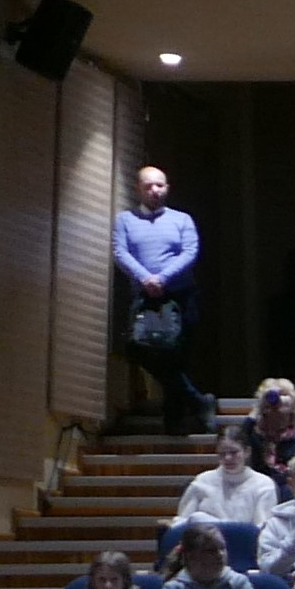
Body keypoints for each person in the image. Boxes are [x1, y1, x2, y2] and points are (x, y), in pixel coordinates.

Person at [118, 161, 204, 431]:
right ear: (138, 189)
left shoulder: (182, 219)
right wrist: (146, 279)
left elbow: (190, 252)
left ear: (167, 188)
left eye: (159, 185)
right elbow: (121, 252)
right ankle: (197, 400)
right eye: (148, 186)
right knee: (144, 351)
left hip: (181, 296)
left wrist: (162, 278)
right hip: (146, 299)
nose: (154, 190)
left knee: (177, 356)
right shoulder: (125, 220)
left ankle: (175, 421)